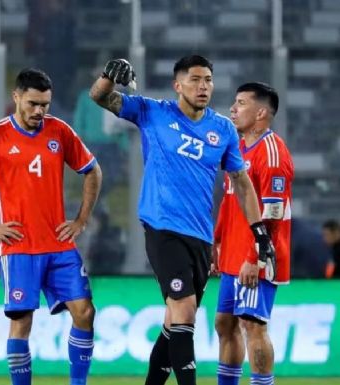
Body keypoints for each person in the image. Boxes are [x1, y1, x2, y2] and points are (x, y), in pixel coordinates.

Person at [88, 56, 275, 385]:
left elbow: (243, 185)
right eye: (195, 80)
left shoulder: (222, 129)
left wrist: (260, 233)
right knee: (185, 311)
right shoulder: (153, 112)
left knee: (173, 322)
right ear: (178, 85)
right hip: (162, 228)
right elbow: (101, 97)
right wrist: (108, 75)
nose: (203, 86)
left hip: (200, 237)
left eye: (208, 80)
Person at [0, 68, 102, 385]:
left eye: (45, 104)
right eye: (33, 103)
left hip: (59, 245)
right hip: (19, 247)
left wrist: (81, 219)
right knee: (21, 323)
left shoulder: (59, 131)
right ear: (16, 97)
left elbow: (92, 171)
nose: (39, 111)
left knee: (85, 312)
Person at [213, 82, 294, 385]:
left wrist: (254, 258)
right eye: (234, 102)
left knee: (252, 325)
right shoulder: (238, 148)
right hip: (232, 253)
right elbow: (229, 199)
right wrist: (217, 239)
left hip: (258, 258)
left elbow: (273, 213)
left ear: (261, 112)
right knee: (224, 324)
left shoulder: (272, 152)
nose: (233, 109)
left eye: (242, 103)